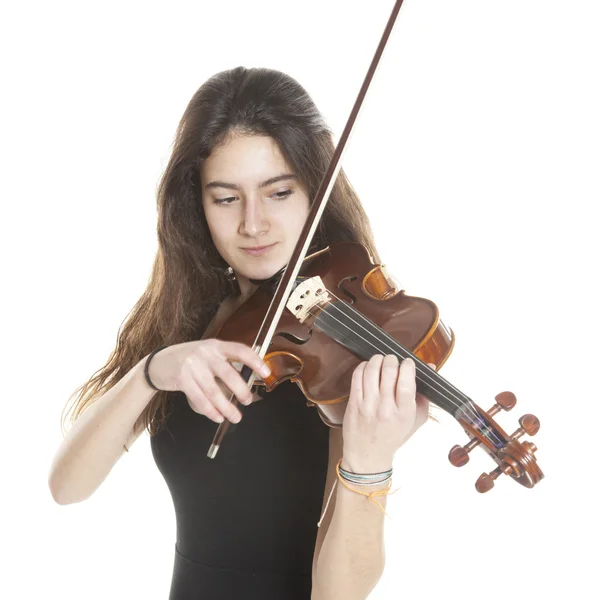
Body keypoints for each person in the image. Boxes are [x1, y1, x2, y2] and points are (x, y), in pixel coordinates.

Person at [48, 66, 433, 600]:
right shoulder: (189, 317)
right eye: (226, 198)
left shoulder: (346, 356)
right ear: (196, 204)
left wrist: (370, 461)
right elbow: (67, 488)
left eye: (278, 192)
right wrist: (153, 370)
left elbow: (338, 594)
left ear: (314, 192)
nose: (254, 224)